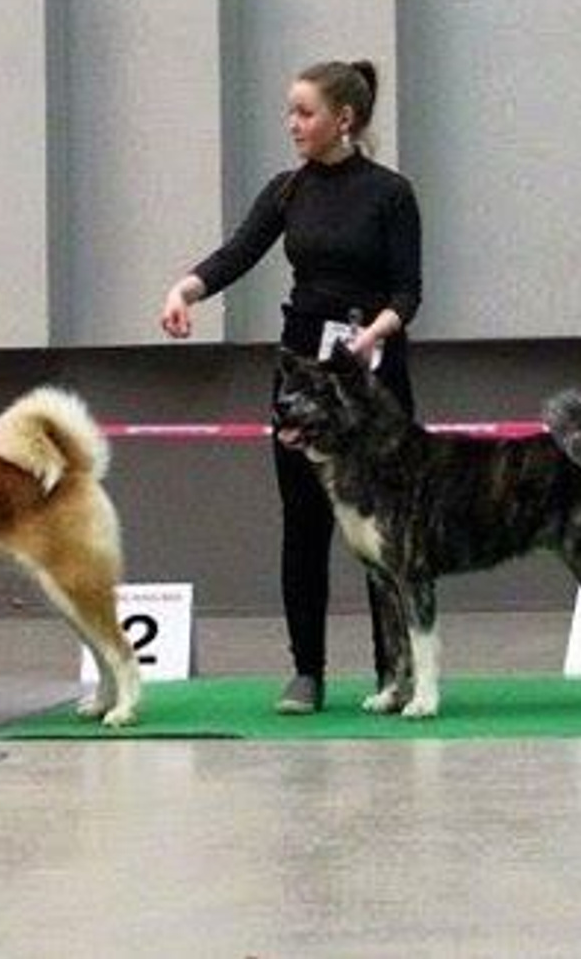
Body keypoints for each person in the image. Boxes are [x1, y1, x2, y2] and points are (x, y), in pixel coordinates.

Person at [160, 59, 422, 714]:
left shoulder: (391, 193)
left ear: (345, 119)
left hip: (372, 376)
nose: (292, 124)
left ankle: (394, 670)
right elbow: (236, 254)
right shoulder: (287, 191)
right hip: (303, 370)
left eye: (304, 113)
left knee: (379, 527)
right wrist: (184, 289)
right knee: (303, 524)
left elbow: (408, 290)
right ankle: (307, 672)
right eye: (290, 112)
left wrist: (375, 335)